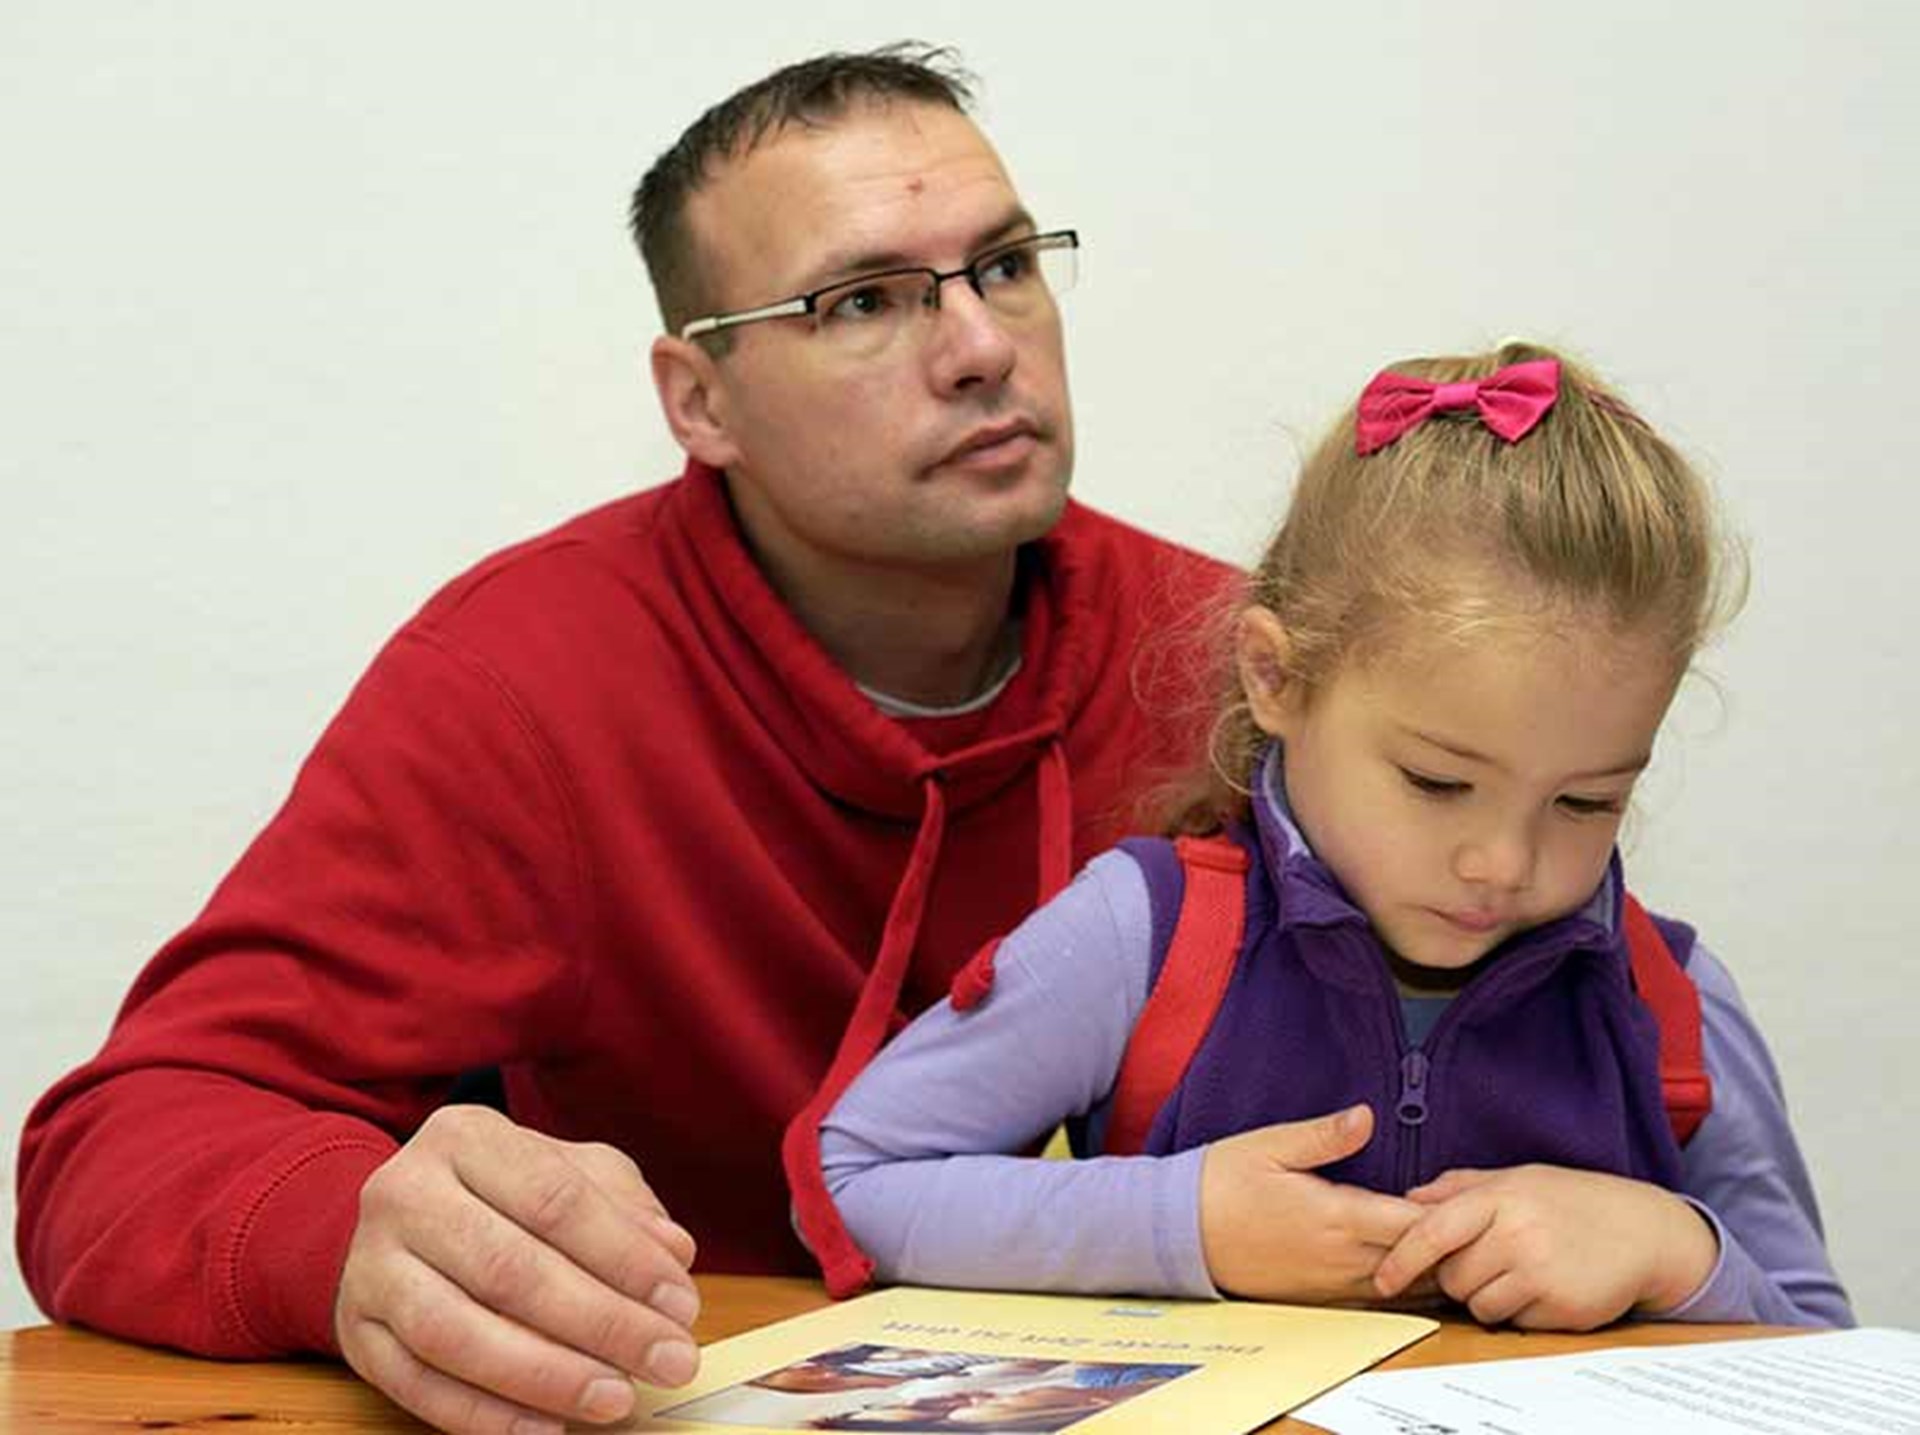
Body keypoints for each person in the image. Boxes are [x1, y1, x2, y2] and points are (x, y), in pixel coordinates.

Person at [14, 43, 1240, 1435]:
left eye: (1005, 265)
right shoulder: (525, 679)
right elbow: (115, 1141)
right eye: (863, 300)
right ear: (699, 400)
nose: (980, 347)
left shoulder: (1230, 663)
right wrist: (348, 1234)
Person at [810, 341, 1853, 1332]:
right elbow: (853, 1180)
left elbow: (1826, 1348)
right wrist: (1184, 1223)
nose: (1503, 863)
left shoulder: (1674, 1003)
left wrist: (1679, 1252)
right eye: (1438, 782)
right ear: (1277, 676)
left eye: (1585, 802)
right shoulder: (1144, 935)